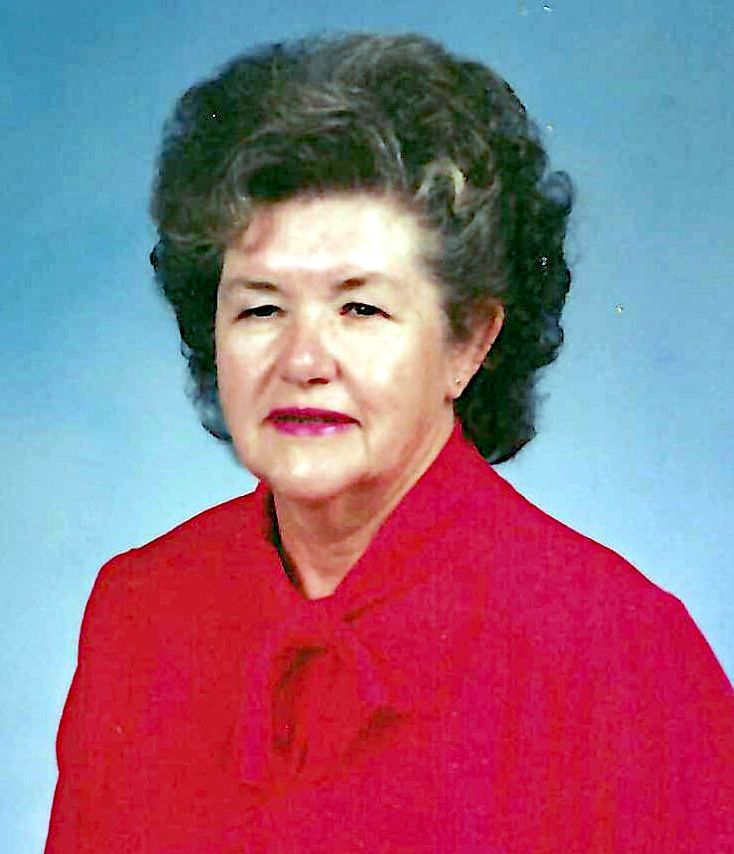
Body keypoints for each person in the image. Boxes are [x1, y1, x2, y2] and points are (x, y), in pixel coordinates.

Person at [45, 33, 733, 854]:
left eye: (361, 308)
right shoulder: (141, 610)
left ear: (468, 342)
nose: (303, 361)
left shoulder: (622, 654)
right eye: (261, 308)